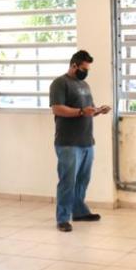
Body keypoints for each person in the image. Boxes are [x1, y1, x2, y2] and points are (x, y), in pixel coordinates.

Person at [48, 50, 111, 232]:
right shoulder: (60, 83)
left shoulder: (84, 84)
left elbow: (87, 110)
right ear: (74, 65)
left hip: (87, 141)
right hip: (68, 142)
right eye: (83, 68)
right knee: (67, 181)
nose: (86, 71)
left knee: (83, 180)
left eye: (87, 68)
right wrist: (81, 112)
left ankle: (79, 211)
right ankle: (63, 218)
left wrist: (98, 110)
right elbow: (57, 109)